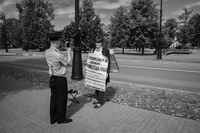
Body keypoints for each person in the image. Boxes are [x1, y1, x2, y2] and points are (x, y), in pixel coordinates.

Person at [45, 32, 72, 124]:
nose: (61, 43)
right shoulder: (58, 54)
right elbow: (68, 63)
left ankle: (53, 118)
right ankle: (61, 119)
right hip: (60, 78)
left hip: (52, 78)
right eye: (60, 41)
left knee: (54, 98)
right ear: (56, 42)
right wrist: (69, 52)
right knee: (62, 99)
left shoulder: (47, 52)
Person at [92, 41, 110, 108]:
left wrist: (107, 72)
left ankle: (100, 102)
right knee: (96, 86)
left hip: (103, 72)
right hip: (95, 71)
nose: (97, 44)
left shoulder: (105, 51)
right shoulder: (94, 50)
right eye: (96, 43)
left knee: (101, 87)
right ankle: (98, 99)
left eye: (98, 43)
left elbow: (108, 62)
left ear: (101, 44)